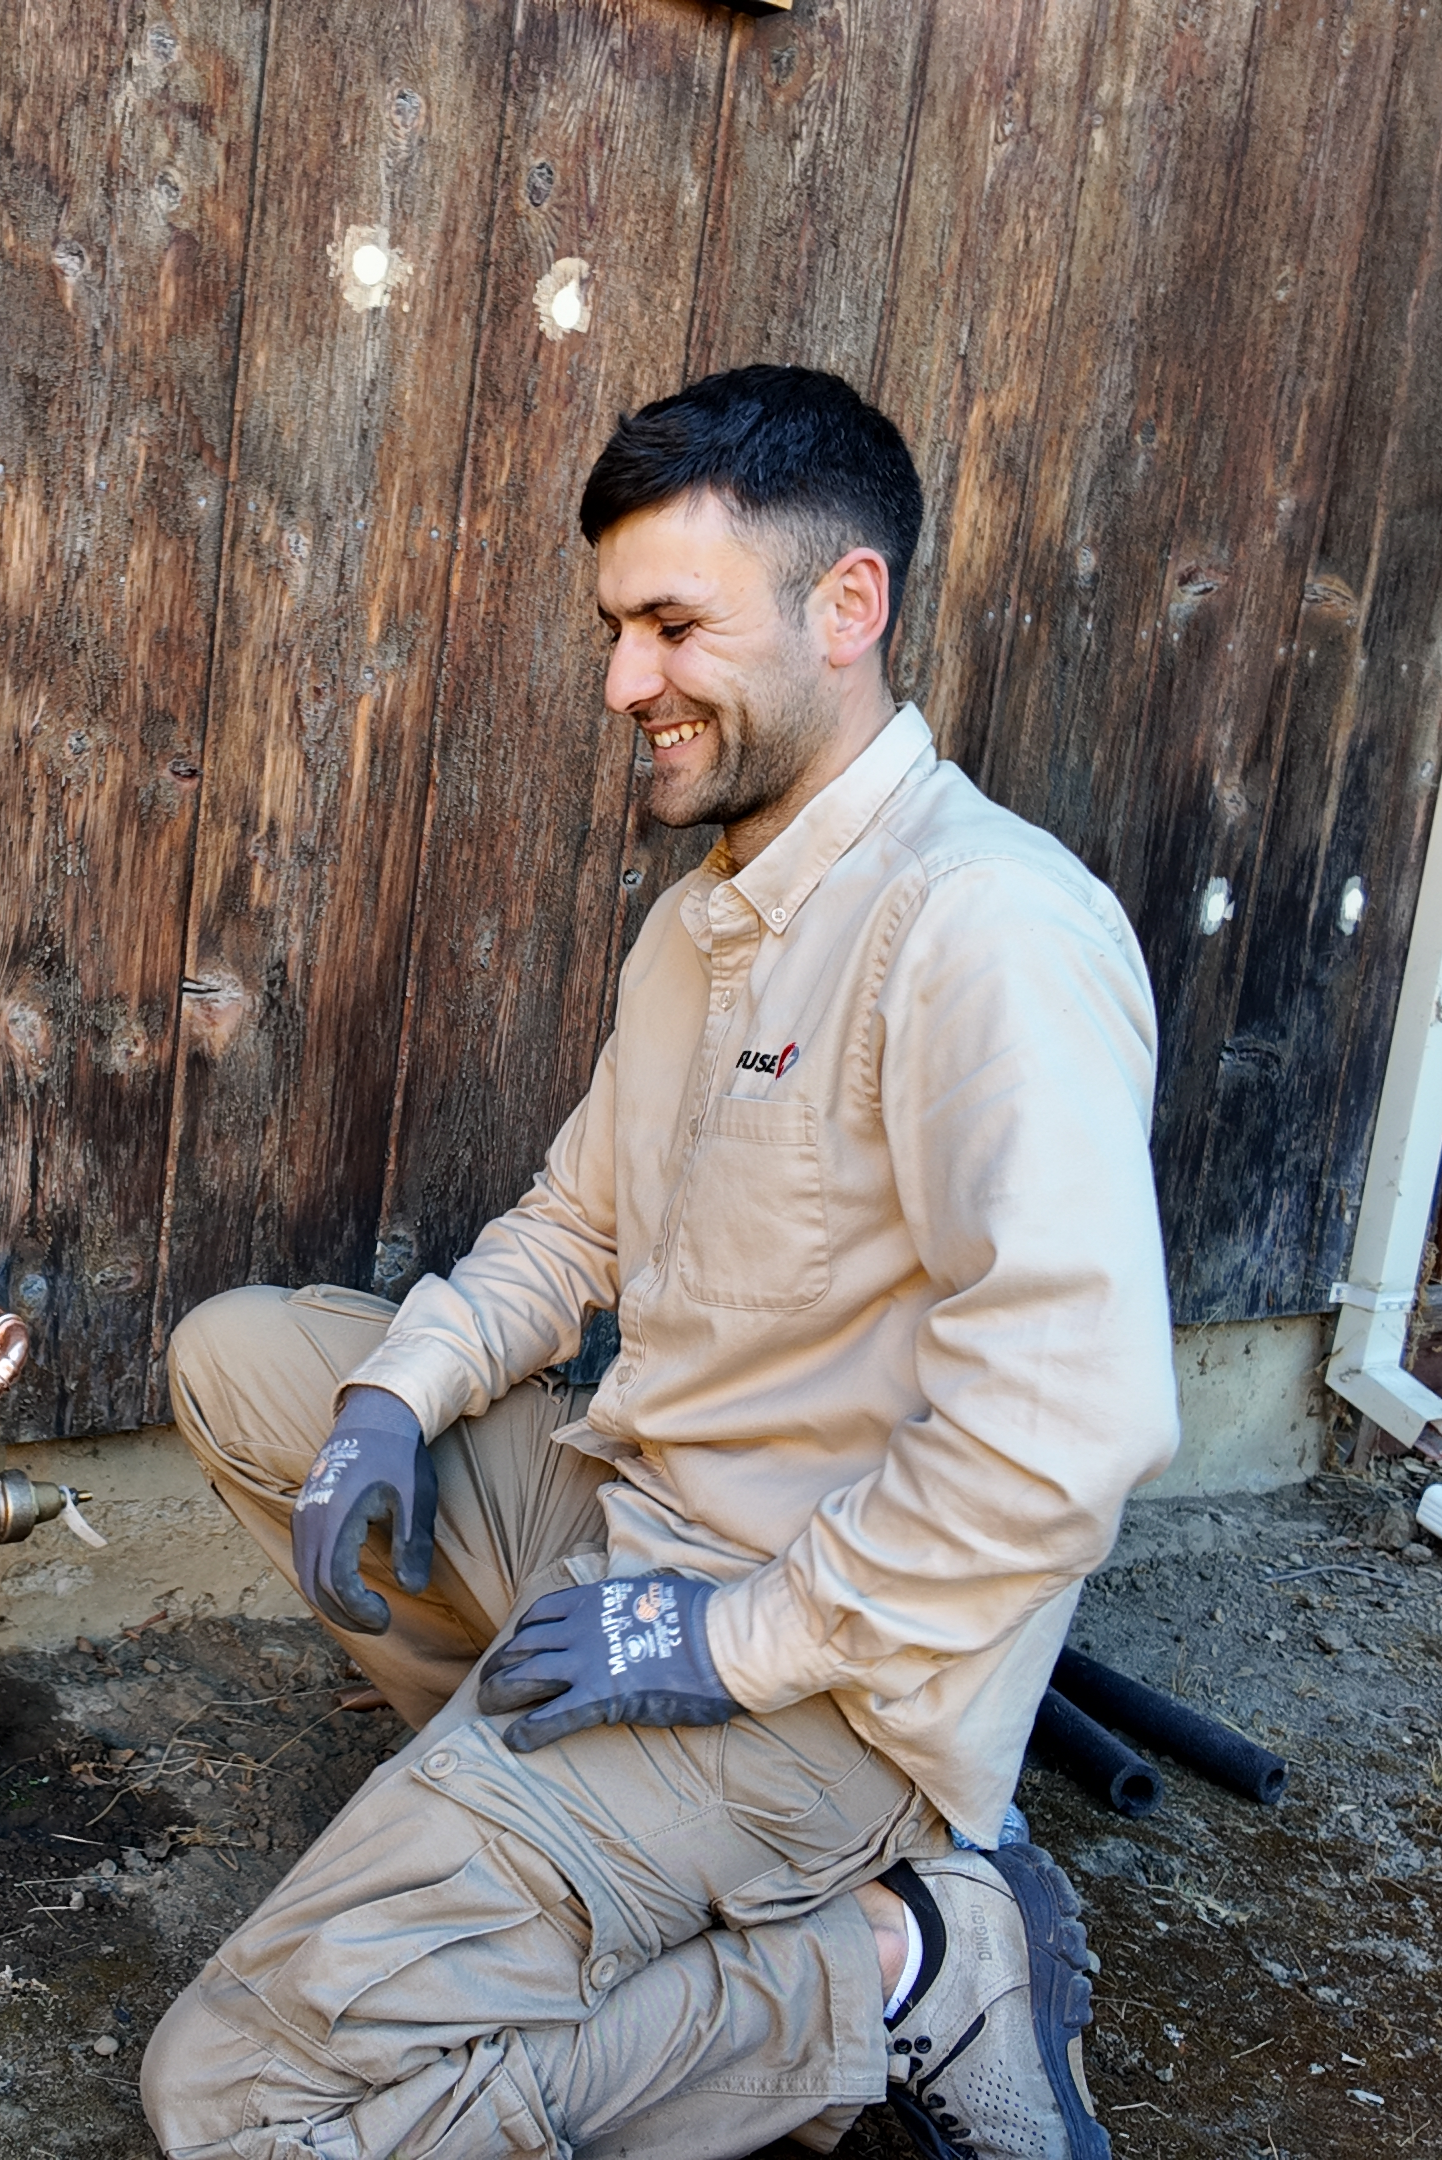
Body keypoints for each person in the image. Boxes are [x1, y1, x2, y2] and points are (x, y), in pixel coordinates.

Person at [139, 364, 1180, 2160]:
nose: (626, 681)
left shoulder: (985, 930)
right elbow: (571, 1232)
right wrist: (399, 1390)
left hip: (824, 1682)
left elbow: (1065, 1434)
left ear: (846, 609)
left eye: (675, 624)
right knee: (257, 1365)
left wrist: (728, 1638)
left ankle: (896, 1963)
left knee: (234, 2103)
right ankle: (538, 1833)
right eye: (618, 627)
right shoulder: (702, 931)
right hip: (631, 1539)